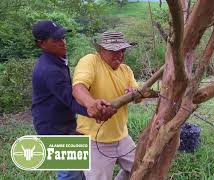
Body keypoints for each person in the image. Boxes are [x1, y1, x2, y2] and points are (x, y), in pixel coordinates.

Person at [31, 20, 116, 180]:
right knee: (70, 173)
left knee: (79, 168)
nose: (62, 42)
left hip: (64, 122)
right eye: (56, 40)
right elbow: (70, 98)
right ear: (41, 44)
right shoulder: (49, 69)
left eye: (62, 37)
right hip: (53, 128)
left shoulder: (57, 60)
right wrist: (95, 110)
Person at [72, 31, 140, 180]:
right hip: (94, 141)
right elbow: (78, 87)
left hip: (122, 136)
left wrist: (134, 93)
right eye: (113, 51)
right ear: (101, 50)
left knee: (140, 169)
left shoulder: (126, 70)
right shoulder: (91, 61)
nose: (119, 55)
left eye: (122, 50)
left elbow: (137, 95)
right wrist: (91, 103)